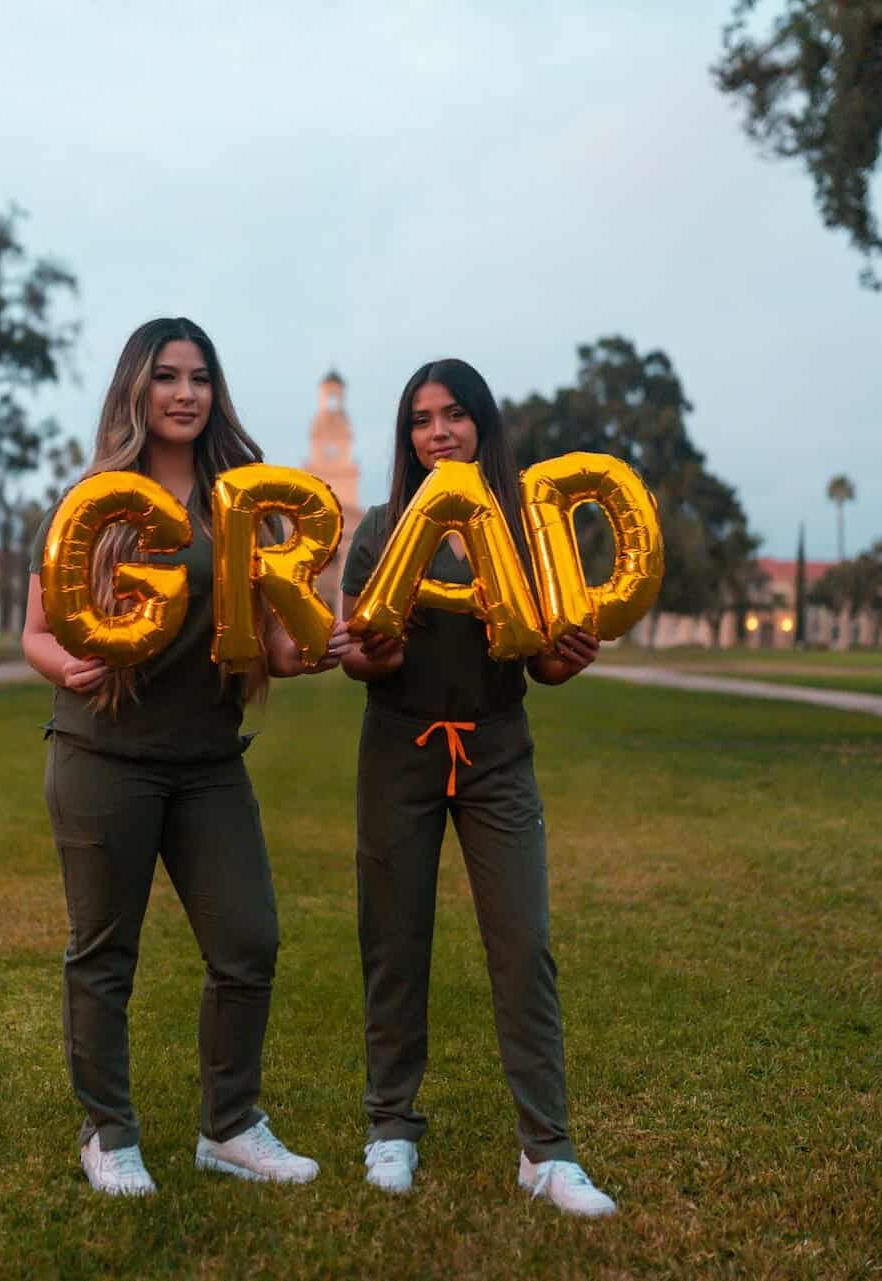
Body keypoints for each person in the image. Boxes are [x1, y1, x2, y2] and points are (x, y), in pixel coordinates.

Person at [22, 317, 353, 1197]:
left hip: (208, 758)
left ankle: (230, 1126)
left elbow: (274, 646)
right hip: (104, 753)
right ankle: (109, 1133)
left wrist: (316, 646)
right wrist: (70, 664)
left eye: (199, 377)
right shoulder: (92, 501)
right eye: (166, 376)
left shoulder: (241, 499)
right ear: (137, 388)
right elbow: (35, 633)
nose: (184, 393)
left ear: (216, 391)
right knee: (104, 954)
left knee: (249, 940)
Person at [339, 358, 616, 1217]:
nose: (438, 432)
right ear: (407, 438)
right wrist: (366, 654)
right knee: (395, 940)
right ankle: (391, 1125)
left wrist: (564, 662)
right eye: (421, 420)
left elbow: (543, 662)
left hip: (496, 750)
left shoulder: (529, 531)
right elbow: (359, 650)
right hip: (400, 747)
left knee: (524, 942)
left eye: (455, 415)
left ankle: (547, 1150)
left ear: (483, 427)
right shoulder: (383, 527)